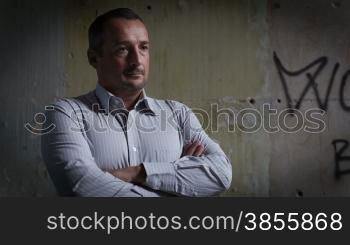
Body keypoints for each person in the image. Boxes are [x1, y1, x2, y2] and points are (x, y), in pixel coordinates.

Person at [41, 8, 232, 197]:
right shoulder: (65, 114)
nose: (137, 60)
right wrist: (177, 183)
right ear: (94, 58)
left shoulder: (178, 113)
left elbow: (221, 174)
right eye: (122, 49)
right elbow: (80, 187)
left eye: (143, 47)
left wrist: (137, 173)